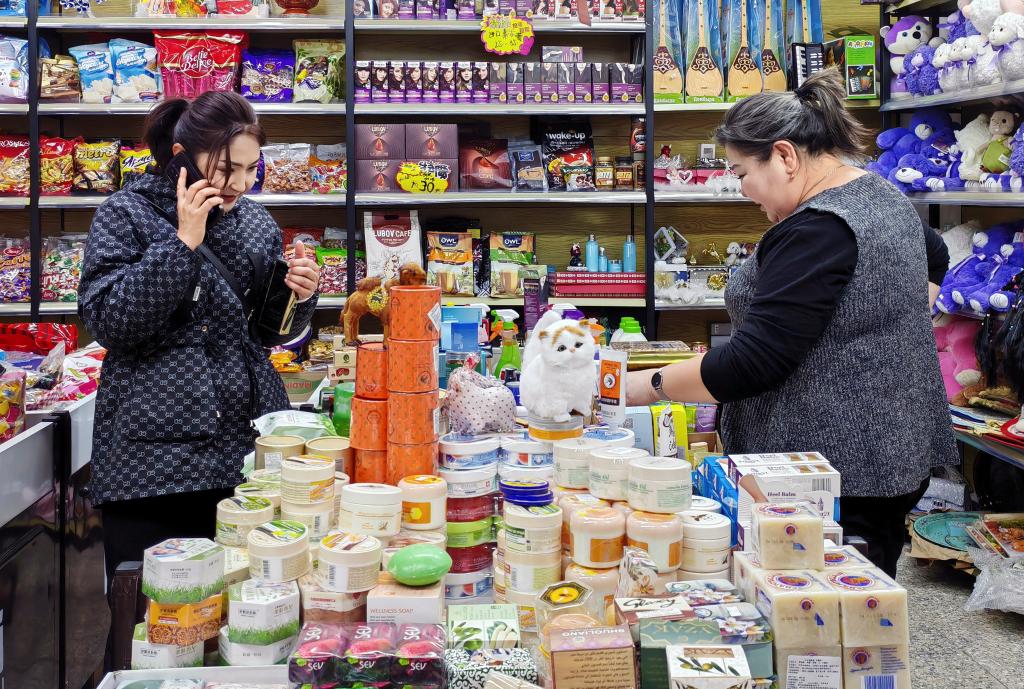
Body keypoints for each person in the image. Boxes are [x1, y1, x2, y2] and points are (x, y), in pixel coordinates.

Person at [626, 69, 957, 578]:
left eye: (740, 172)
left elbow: (753, 363)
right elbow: (934, 253)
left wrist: (643, 385)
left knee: (826, 608)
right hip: (890, 449)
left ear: (784, 156)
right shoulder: (878, 194)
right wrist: (890, 322)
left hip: (837, 471)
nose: (741, 189)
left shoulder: (819, 228)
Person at [79, 91, 321, 582]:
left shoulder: (255, 222)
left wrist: (299, 294)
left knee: (245, 597)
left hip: (244, 453)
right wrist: (182, 242)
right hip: (151, 465)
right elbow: (110, 322)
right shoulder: (126, 213)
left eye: (250, 169)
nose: (240, 184)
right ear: (180, 156)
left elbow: (265, 334)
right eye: (227, 169)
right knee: (156, 605)